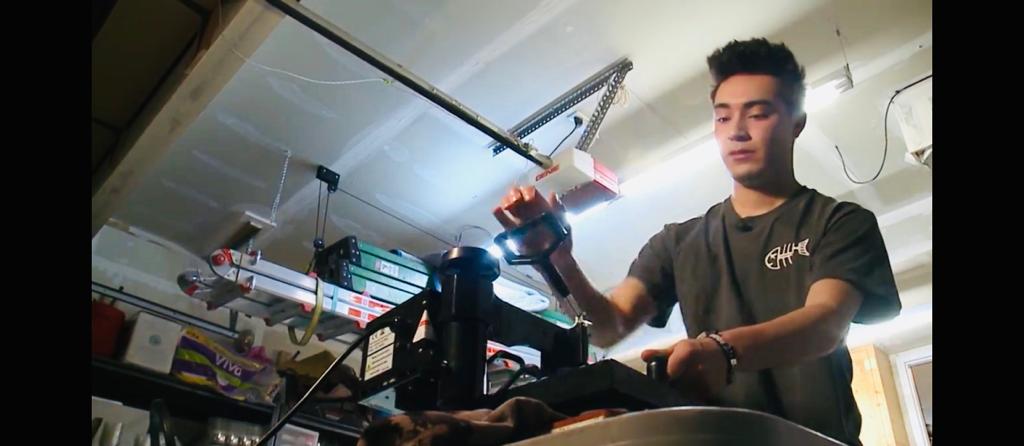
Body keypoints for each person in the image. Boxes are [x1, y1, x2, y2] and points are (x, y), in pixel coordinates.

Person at [491, 38, 901, 445]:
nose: (737, 131)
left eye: (758, 114)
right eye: (723, 117)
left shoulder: (839, 222)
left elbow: (825, 323)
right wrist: (558, 259)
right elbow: (607, 328)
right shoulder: (676, 243)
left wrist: (724, 350)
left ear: (797, 123)